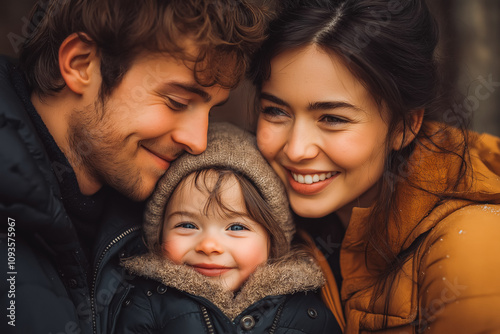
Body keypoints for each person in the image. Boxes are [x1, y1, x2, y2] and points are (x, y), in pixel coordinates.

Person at [0, 1, 269, 333]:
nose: (198, 142)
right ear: (81, 64)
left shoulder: (165, 215)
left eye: (209, 110)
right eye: (178, 102)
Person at [250, 0, 500, 332]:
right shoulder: (262, 226)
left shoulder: (470, 248)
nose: (296, 150)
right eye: (276, 111)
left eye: (333, 119)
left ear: (405, 126)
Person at [111, 122, 341, 333]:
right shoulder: (146, 303)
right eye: (187, 225)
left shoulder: (306, 312)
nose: (209, 246)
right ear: (159, 234)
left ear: (272, 239)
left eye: (236, 227)